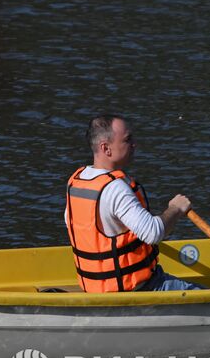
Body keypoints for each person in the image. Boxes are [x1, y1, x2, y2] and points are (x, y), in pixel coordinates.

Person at [64, 114, 197, 292]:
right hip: (139, 289)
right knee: (208, 296)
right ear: (106, 148)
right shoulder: (115, 188)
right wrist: (176, 208)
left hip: (95, 289)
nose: (134, 144)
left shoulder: (77, 181)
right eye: (127, 140)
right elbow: (153, 233)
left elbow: (71, 222)